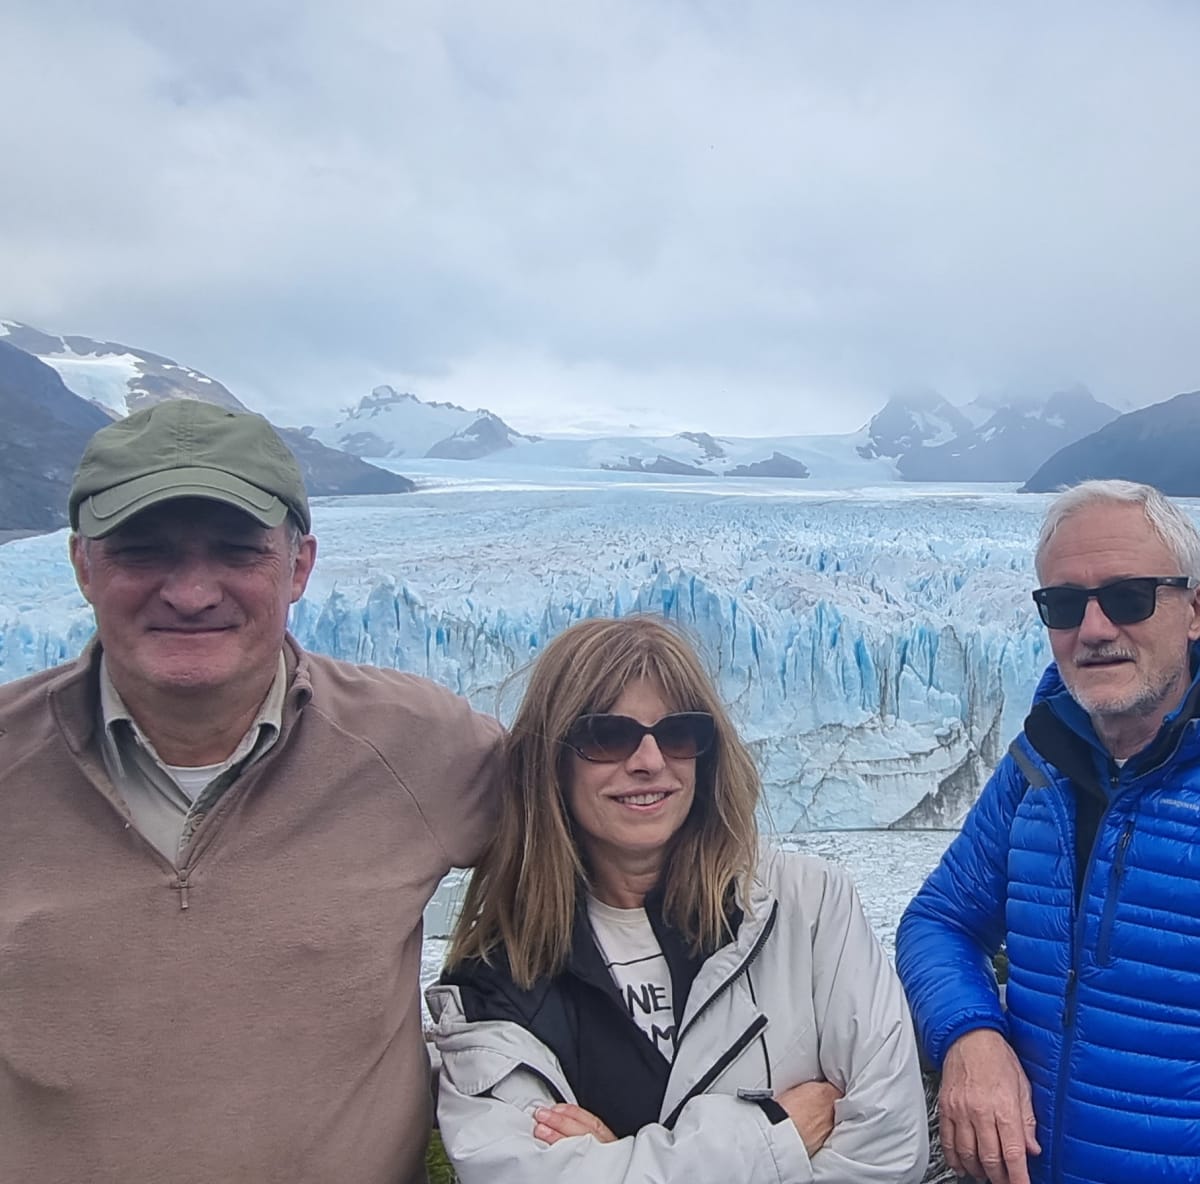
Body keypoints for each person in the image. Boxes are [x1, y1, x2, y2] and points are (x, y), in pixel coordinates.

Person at [0, 399, 502, 1184]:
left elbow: (619, 845)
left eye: (237, 550)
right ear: (82, 566)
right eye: (142, 551)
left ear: (299, 565)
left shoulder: (420, 748)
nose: (192, 592)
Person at [427, 614, 929, 1183]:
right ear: (552, 763)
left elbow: (889, 1150)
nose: (648, 761)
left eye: (678, 733)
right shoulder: (498, 982)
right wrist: (771, 1138)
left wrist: (619, 1160)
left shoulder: (807, 907)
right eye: (607, 736)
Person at [897, 479, 1200, 1184]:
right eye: (1064, 604)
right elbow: (939, 920)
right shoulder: (1040, 765)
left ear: (1193, 612)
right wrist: (971, 1034)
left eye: (1129, 597)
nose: (1094, 630)